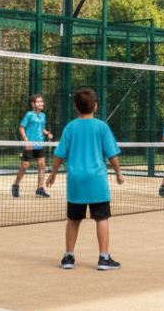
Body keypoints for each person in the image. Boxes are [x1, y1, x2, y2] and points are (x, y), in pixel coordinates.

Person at [46, 88, 124, 271]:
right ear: (95, 106)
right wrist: (119, 173)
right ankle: (104, 258)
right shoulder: (101, 126)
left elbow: (59, 154)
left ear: (75, 107)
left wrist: (53, 173)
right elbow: (112, 154)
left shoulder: (70, 127)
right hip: (97, 181)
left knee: (73, 220)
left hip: (76, 181)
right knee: (102, 218)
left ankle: (68, 257)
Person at [13, 93, 52, 198]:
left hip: (39, 144)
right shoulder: (29, 115)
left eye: (41, 101)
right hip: (28, 144)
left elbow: (41, 129)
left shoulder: (43, 115)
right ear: (33, 104)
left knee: (42, 164)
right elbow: (21, 127)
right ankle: (15, 185)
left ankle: (40, 188)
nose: (41, 103)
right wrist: (26, 141)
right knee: (25, 165)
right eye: (38, 102)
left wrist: (47, 133)